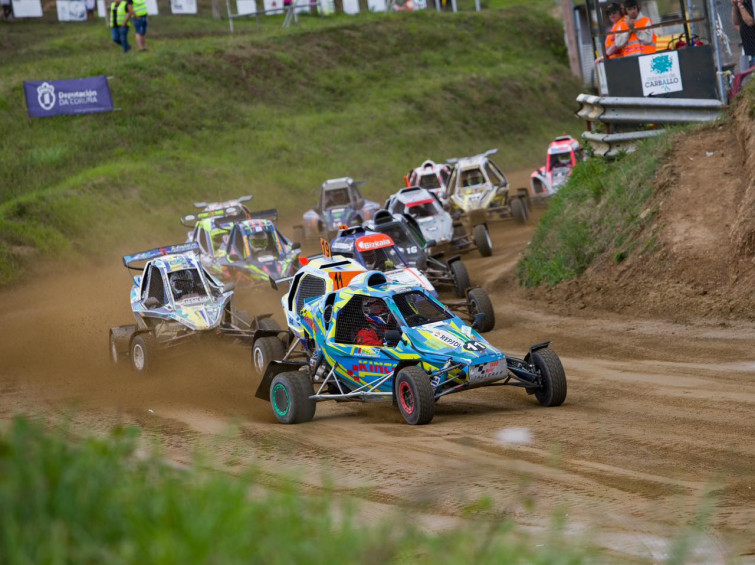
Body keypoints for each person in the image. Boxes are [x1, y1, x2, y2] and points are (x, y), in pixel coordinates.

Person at [732, 0, 755, 68]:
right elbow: (735, 22)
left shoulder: (752, 3)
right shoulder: (742, 5)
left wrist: (740, 5)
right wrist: (735, 5)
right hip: (748, 52)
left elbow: (750, 22)